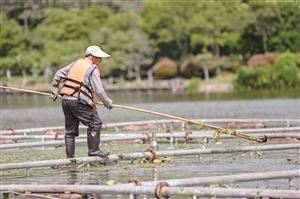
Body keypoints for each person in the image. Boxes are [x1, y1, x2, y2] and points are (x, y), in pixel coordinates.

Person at [51, 45, 113, 158]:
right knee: (95, 123)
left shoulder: (76, 63)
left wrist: (55, 88)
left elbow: (58, 74)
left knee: (70, 132)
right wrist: (107, 102)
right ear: (92, 56)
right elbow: (99, 90)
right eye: (99, 57)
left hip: (66, 100)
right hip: (78, 102)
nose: (101, 60)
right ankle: (94, 151)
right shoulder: (92, 68)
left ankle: (70, 158)